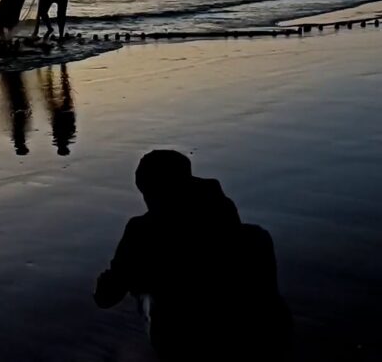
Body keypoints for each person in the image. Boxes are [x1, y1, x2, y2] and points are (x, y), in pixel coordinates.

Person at [94, 150, 292, 361]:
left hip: (186, 340)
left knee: (145, 296)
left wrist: (112, 279)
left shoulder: (141, 232)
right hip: (260, 335)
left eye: (146, 192)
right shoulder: (240, 224)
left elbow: (106, 298)